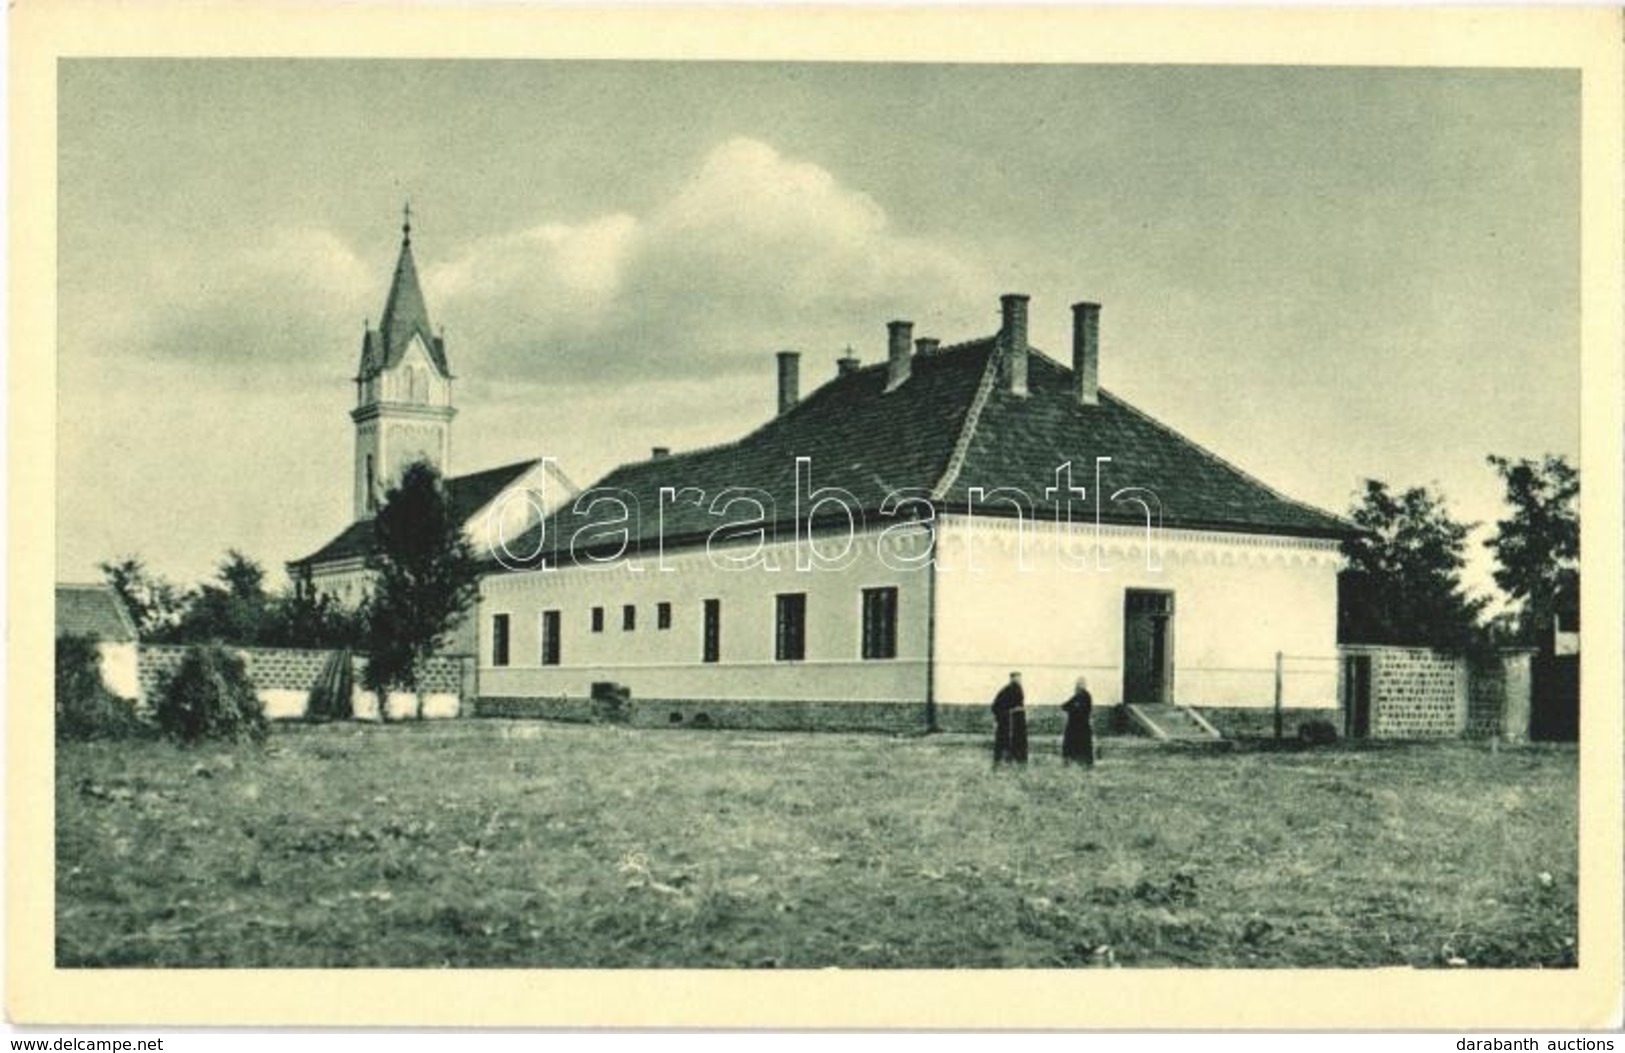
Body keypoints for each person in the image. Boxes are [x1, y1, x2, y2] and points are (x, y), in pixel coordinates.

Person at [991, 671, 1028, 765]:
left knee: (1017, 740)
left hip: (1016, 720)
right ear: (1011, 678)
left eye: (1019, 678)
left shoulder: (1018, 689)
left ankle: (1017, 758)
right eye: (1016, 678)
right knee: (1005, 740)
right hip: (1007, 720)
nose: (1019, 680)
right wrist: (1008, 712)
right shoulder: (1007, 690)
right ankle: (1005, 758)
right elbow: (996, 706)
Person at [1061, 676, 1095, 767]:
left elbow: (1084, 708)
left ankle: (1084, 761)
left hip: (1081, 724)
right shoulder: (1077, 696)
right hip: (1074, 725)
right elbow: (1065, 706)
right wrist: (1073, 707)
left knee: (1083, 743)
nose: (1080, 686)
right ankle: (1073, 759)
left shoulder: (1086, 695)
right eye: (1079, 684)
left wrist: (1073, 708)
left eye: (1081, 684)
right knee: (1073, 742)